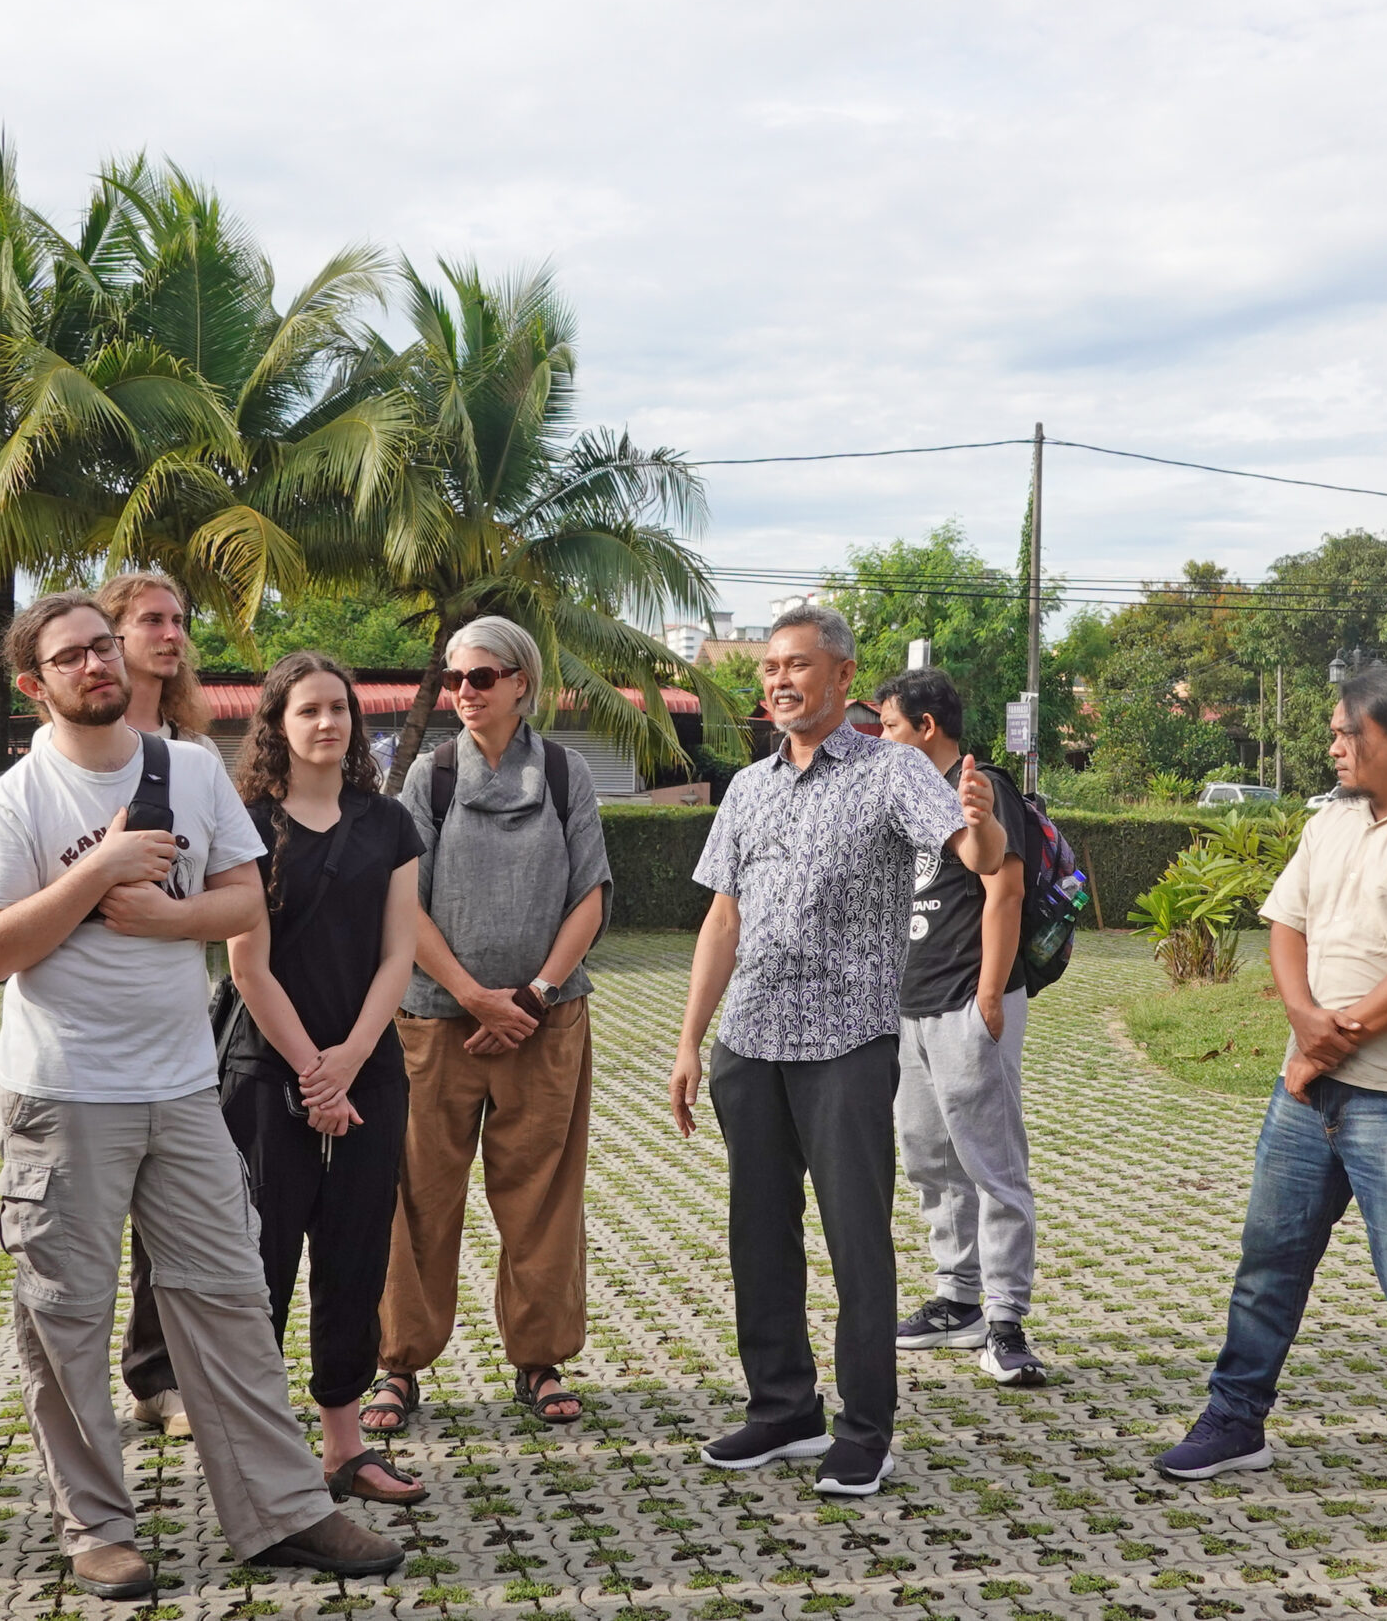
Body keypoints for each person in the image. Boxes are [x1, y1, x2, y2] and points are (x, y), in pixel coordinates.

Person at [0, 591, 403, 1597]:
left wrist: (158, 915)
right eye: (70, 656)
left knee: (231, 1298)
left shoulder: (192, 769)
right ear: (34, 684)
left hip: (182, 1085)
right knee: (67, 1318)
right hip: (61, 1091)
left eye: (102, 646)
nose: (96, 663)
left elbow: (245, 901)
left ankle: (284, 1510)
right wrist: (102, 870)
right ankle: (97, 1528)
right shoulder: (18, 798)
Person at [1157, 667, 1387, 1522]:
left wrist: (1326, 1042)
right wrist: (1302, 1021)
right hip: (1307, 1098)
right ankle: (1235, 1419)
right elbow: (1288, 925)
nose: (1334, 746)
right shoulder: (1332, 822)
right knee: (1266, 1267)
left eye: (1348, 732)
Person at [668, 605, 1003, 1499]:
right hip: (750, 1041)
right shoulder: (749, 787)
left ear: (844, 676)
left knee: (857, 1239)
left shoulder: (893, 769)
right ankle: (784, 1408)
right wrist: (690, 1040)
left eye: (798, 665)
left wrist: (985, 823)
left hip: (848, 1042)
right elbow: (723, 917)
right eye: (770, 667)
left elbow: (974, 852)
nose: (780, 680)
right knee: (758, 1234)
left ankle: (865, 1429)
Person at [366, 616, 611, 1436]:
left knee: (542, 1197)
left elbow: (591, 894)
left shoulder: (568, 774)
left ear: (520, 682)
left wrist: (532, 998)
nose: (463, 691)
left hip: (547, 1022)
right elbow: (405, 904)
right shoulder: (430, 776)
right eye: (453, 678)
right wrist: (475, 996)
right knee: (415, 1197)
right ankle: (398, 1363)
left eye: (481, 676)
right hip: (439, 1023)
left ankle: (539, 1359)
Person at [225, 653, 427, 1505]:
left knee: (355, 1258)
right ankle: (260, 1461)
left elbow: (399, 953)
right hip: (267, 1076)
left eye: (338, 708)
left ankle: (347, 1449)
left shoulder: (389, 823)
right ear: (277, 723)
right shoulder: (245, 822)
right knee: (259, 1264)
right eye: (308, 709)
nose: (327, 722)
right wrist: (315, 1070)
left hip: (368, 1074)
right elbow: (246, 965)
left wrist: (347, 1062)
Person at [873, 667, 1049, 1388]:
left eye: (889, 725)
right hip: (911, 1003)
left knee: (990, 1161)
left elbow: (1005, 890)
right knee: (929, 1156)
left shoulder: (981, 787)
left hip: (968, 1001)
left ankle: (1006, 1321)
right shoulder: (911, 795)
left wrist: (989, 997)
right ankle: (958, 1299)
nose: (880, 738)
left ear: (926, 727)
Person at [92, 568, 210, 1441]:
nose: (171, 635)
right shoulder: (74, 747)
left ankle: (160, 1373)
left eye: (178, 620)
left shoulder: (193, 751)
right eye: (151, 621)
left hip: (178, 1017)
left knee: (178, 1221)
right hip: (83, 1029)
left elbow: (236, 888)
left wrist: (176, 920)